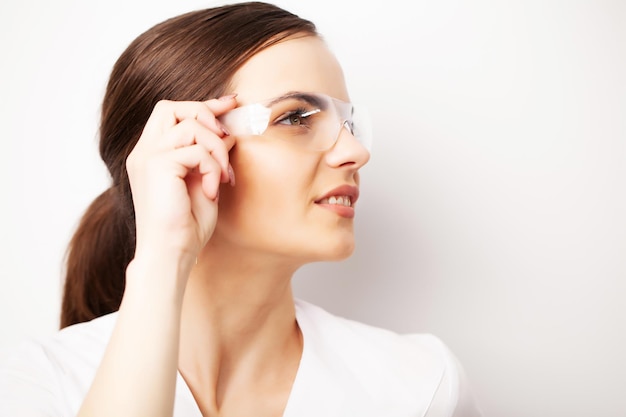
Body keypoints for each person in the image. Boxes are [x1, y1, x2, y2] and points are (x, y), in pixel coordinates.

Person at [0, 2, 483, 416]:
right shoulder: (43, 385)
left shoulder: (419, 385)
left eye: (349, 123)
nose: (355, 152)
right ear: (185, 148)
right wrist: (163, 255)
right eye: (296, 117)